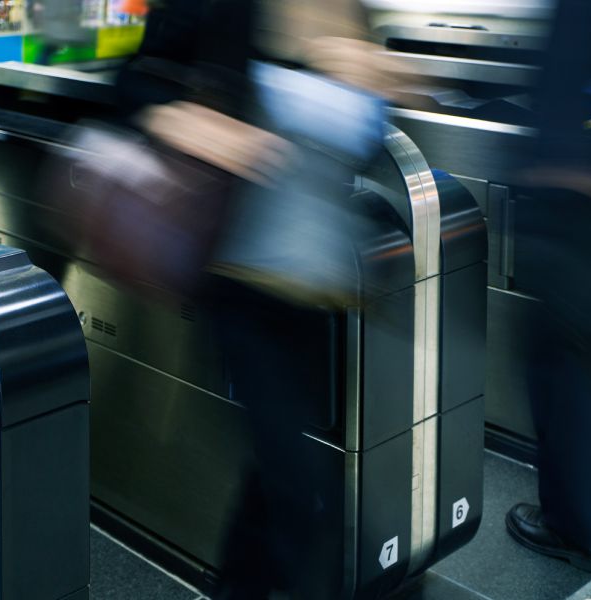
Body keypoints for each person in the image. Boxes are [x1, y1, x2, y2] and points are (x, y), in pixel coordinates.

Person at [114, 1, 407, 597]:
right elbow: (133, 87)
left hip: (318, 289)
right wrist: (188, 121)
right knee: (299, 486)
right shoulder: (220, 9)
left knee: (278, 478)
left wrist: (379, 84)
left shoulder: (352, 12)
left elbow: (358, 136)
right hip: (241, 282)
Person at [504, 0, 591, 574]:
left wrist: (542, 173)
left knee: (558, 371)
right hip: (580, 198)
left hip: (561, 202)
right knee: (572, 366)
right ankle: (586, 519)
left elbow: (555, 91)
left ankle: (578, 528)